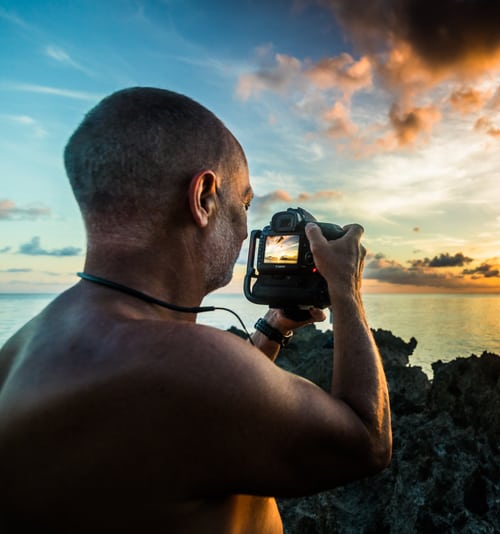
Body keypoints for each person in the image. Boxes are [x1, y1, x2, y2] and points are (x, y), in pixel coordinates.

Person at [0, 87, 391, 533]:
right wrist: (347, 290)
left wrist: (274, 328)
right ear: (204, 197)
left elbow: (197, 420)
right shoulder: (189, 367)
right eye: (243, 204)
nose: (247, 231)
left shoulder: (22, 348)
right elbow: (367, 442)